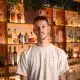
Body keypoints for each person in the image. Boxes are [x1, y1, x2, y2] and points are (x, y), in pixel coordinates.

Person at [17, 16, 69, 80]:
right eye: (37, 28)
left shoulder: (60, 53)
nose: (40, 30)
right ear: (34, 30)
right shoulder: (25, 54)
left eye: (43, 27)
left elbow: (62, 77)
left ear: (48, 29)